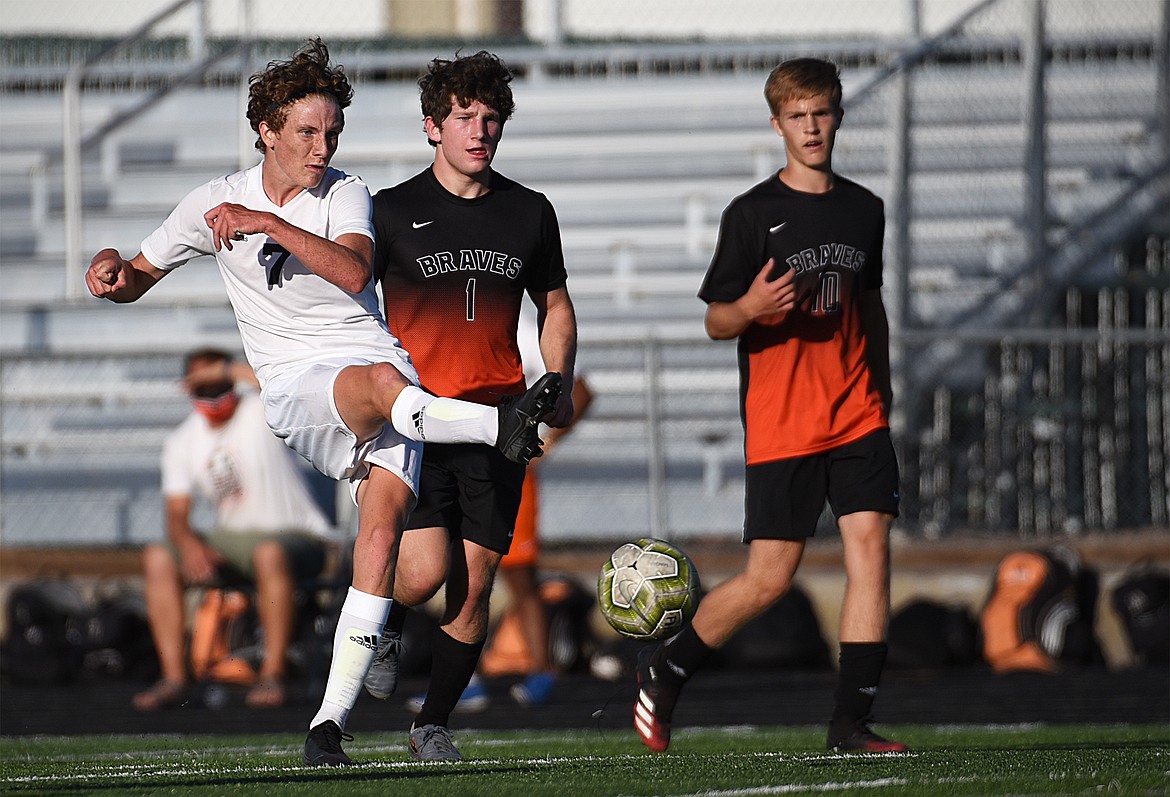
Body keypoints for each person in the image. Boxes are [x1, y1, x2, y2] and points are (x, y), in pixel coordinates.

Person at [84, 39, 561, 767]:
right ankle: (501, 425)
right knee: (384, 391)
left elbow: (353, 267)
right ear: (267, 129)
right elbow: (139, 272)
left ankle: (327, 727)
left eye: (332, 131)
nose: (323, 144)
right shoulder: (211, 202)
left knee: (387, 547)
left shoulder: (344, 191)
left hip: (388, 381)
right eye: (308, 131)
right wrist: (110, 270)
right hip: (303, 386)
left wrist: (271, 224)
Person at [633, 57, 907, 755]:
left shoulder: (864, 208)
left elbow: (868, 305)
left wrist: (882, 379)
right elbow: (717, 320)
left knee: (870, 551)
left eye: (822, 113)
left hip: (858, 414)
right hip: (784, 423)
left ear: (838, 115)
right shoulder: (753, 214)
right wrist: (751, 307)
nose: (812, 128)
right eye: (798, 116)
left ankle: (850, 723)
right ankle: (666, 669)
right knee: (768, 578)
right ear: (778, 123)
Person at [362, 50, 578, 761]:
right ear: (433, 126)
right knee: (422, 573)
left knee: (478, 581)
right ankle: (385, 615)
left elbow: (555, 304)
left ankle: (432, 723)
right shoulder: (388, 211)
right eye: (463, 117)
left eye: (491, 118)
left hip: (498, 423)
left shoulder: (530, 211)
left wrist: (560, 375)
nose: (479, 130)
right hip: (416, 421)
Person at [131, 347, 332, 712]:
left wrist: (225, 369)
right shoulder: (181, 441)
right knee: (159, 556)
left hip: (297, 535)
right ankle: (175, 677)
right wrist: (190, 545)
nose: (210, 390)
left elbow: (273, 384)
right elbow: (176, 516)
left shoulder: (261, 411)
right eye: (201, 382)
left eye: (217, 381)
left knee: (268, 553)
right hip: (234, 540)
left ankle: (273, 673)